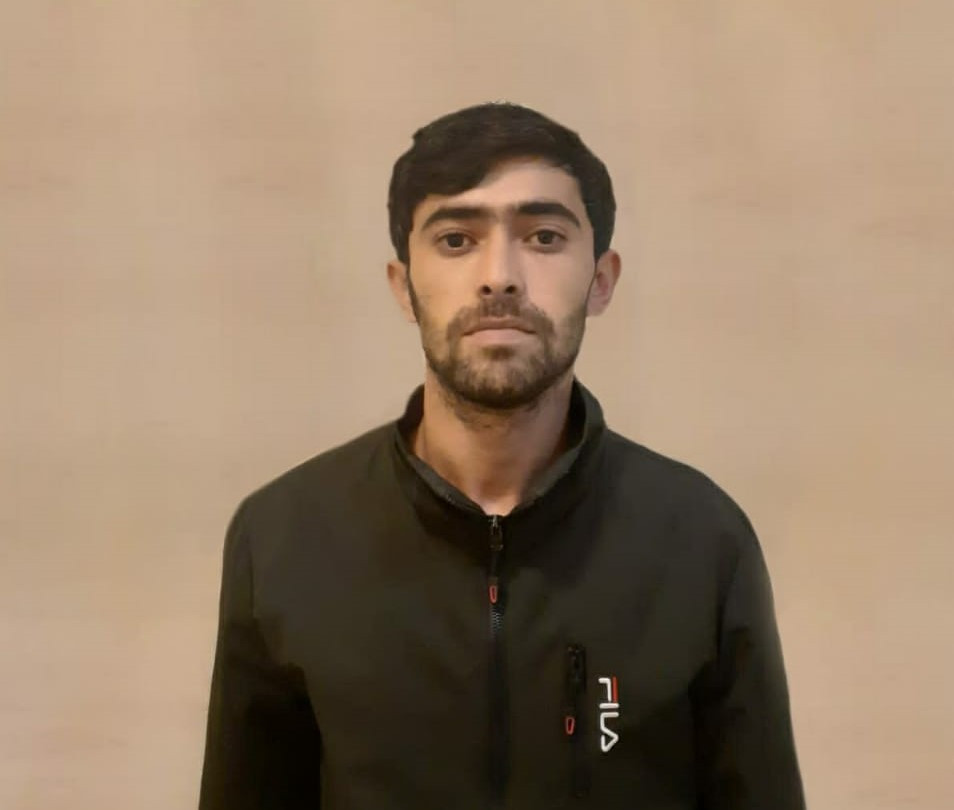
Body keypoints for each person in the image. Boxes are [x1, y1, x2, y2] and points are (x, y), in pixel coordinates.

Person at [198, 101, 806, 809]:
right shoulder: (284, 537)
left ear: (601, 280)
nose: (500, 277)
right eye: (456, 239)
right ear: (403, 286)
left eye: (544, 237)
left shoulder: (700, 538)